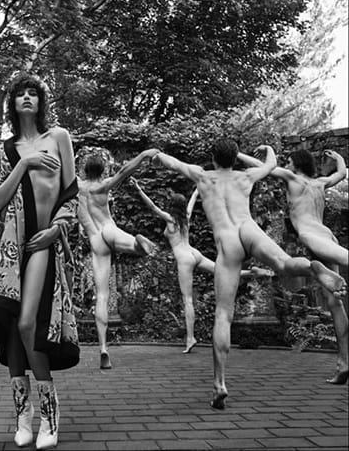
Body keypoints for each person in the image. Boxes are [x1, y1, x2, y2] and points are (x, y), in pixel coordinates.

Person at [151, 139, 346, 409]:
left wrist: (157, 155)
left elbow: (173, 163)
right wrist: (268, 150)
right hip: (250, 230)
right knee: (285, 264)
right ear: (235, 159)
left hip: (228, 240)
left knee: (223, 313)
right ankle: (312, 267)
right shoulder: (246, 176)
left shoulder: (203, 176)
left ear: (213, 157)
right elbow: (271, 165)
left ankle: (219, 384)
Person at [0, 74, 78, 450]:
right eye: (21, 94)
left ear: (41, 102)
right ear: (12, 104)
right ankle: (22, 414)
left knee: (29, 322)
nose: (27, 98)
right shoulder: (4, 150)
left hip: (43, 240)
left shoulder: (59, 137)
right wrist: (25, 162)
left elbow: (71, 191)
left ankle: (49, 411)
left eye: (33, 93)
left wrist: (58, 229)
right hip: (12, 247)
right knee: (12, 323)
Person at [238, 148, 348, 384]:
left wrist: (236, 154)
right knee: (334, 302)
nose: (286, 164)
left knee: (343, 269)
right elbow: (340, 174)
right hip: (327, 235)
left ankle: (344, 362)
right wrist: (338, 158)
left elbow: (264, 167)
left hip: (312, 237)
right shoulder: (320, 183)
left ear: (296, 164)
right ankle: (343, 364)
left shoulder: (292, 178)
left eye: (289, 161)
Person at [130, 178, 275, 354]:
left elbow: (152, 207)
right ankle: (252, 273)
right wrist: (198, 187)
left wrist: (138, 189)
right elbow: (194, 198)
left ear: (171, 206)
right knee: (221, 271)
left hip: (184, 258)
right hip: (194, 253)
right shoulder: (186, 216)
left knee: (187, 300)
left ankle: (190, 338)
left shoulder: (170, 219)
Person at [78, 150, 159, 370]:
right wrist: (143, 155)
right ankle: (137, 244)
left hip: (96, 240)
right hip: (109, 230)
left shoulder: (77, 187)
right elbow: (124, 171)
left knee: (102, 296)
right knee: (138, 249)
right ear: (102, 171)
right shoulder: (103, 186)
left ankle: (103, 348)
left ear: (84, 170)